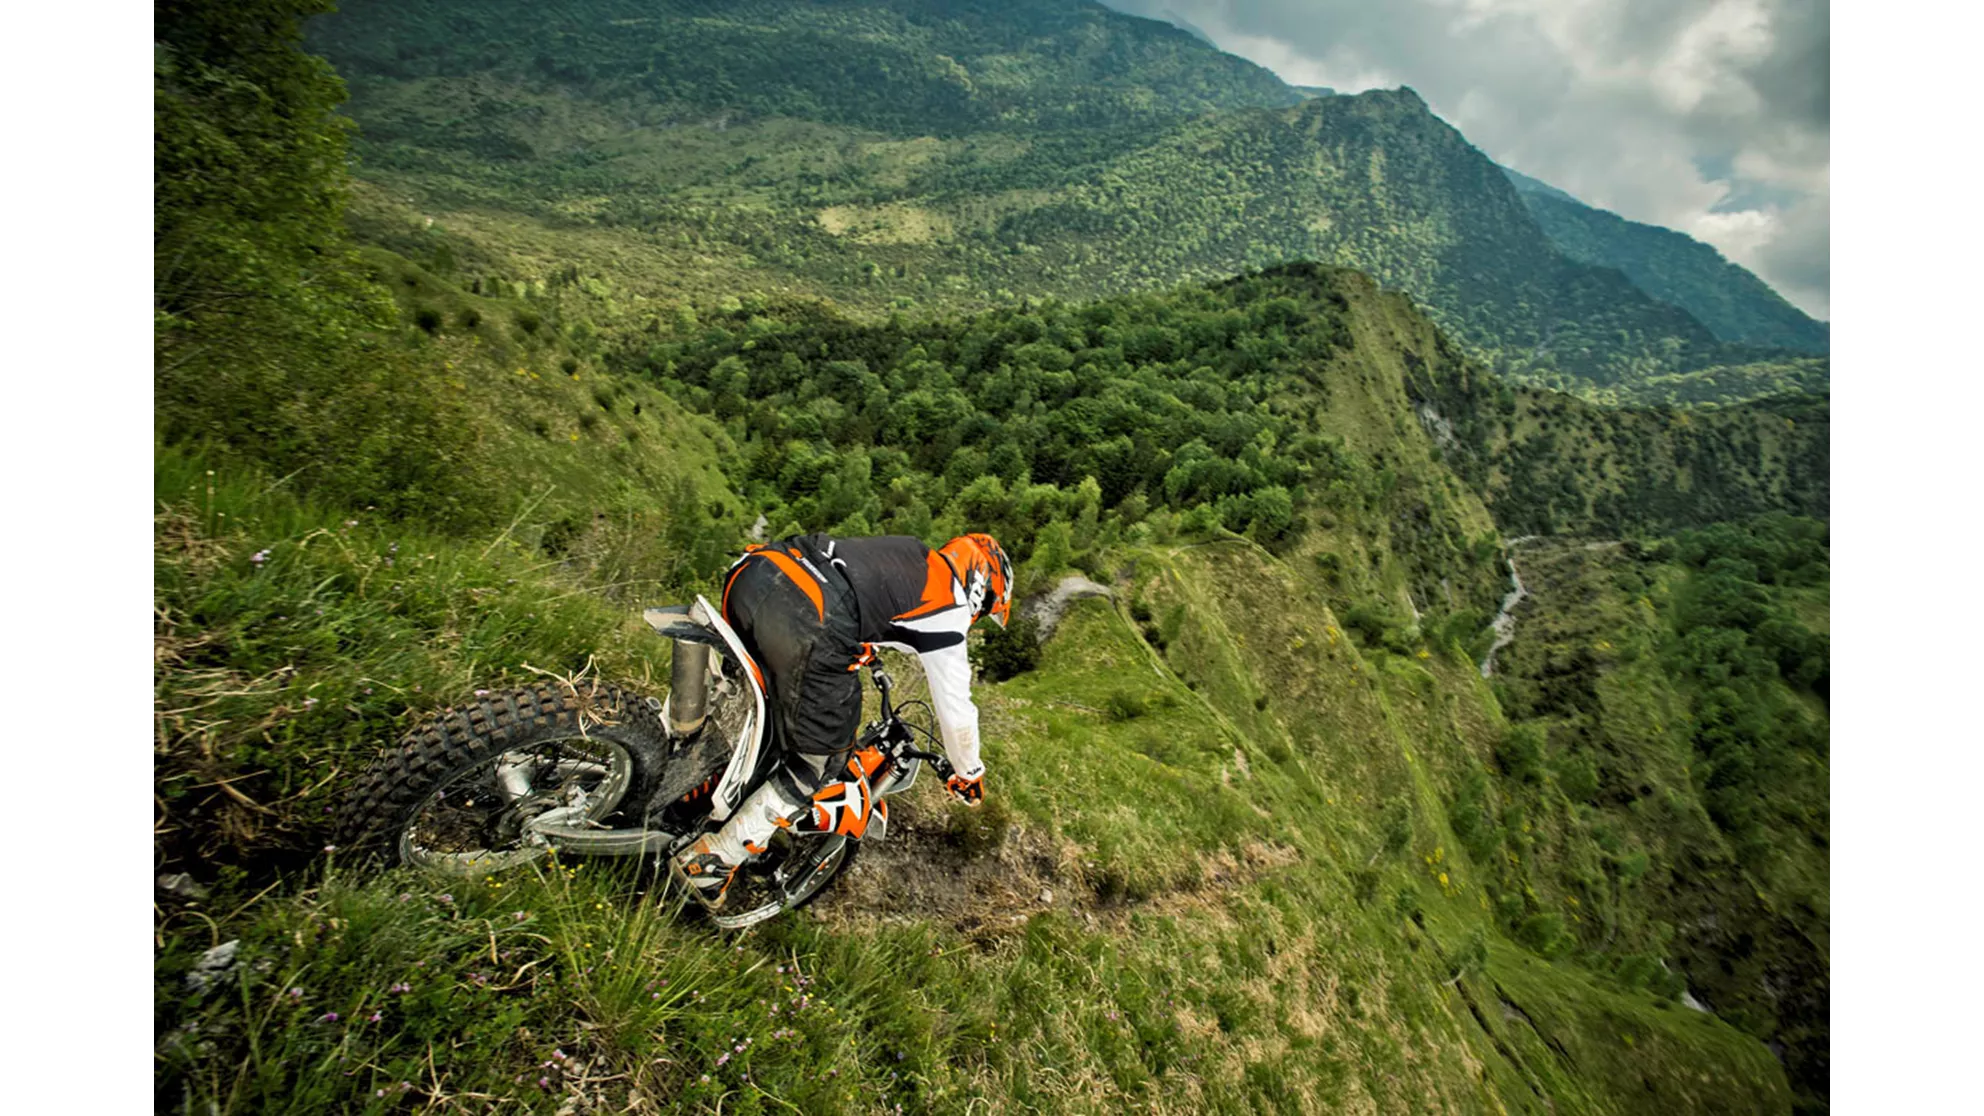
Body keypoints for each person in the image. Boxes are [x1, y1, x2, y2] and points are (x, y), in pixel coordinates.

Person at [672, 531, 1013, 907]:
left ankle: (686, 786)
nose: (978, 618)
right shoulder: (950, 608)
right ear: (983, 587)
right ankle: (714, 859)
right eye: (987, 609)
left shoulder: (911, 553)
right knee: (820, 758)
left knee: (758, 712)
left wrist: (861, 647)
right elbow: (957, 711)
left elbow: (852, 584)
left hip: (756, 571)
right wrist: (968, 774)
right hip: (807, 616)